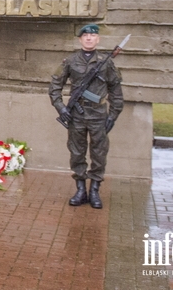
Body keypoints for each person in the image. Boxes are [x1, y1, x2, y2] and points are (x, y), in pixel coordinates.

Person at [48, 24, 123, 209]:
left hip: (98, 115)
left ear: (98, 39)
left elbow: (116, 90)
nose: (89, 38)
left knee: (99, 153)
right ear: (80, 39)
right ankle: (81, 189)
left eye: (92, 35)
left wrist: (113, 115)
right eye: (85, 36)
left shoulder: (106, 63)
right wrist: (61, 108)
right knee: (76, 152)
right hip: (76, 116)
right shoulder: (70, 61)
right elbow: (54, 86)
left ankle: (95, 190)